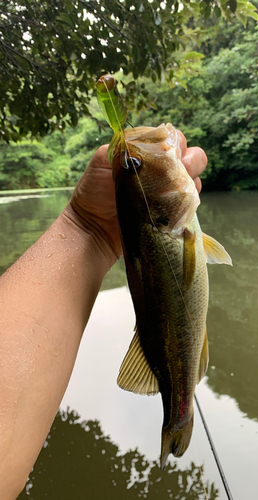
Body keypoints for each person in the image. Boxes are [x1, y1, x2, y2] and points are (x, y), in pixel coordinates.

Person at [0, 131, 207, 500]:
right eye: (135, 165)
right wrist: (89, 223)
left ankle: (177, 413)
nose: (142, 152)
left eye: (132, 164)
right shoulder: (175, 229)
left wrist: (89, 226)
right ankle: (179, 414)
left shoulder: (172, 225)